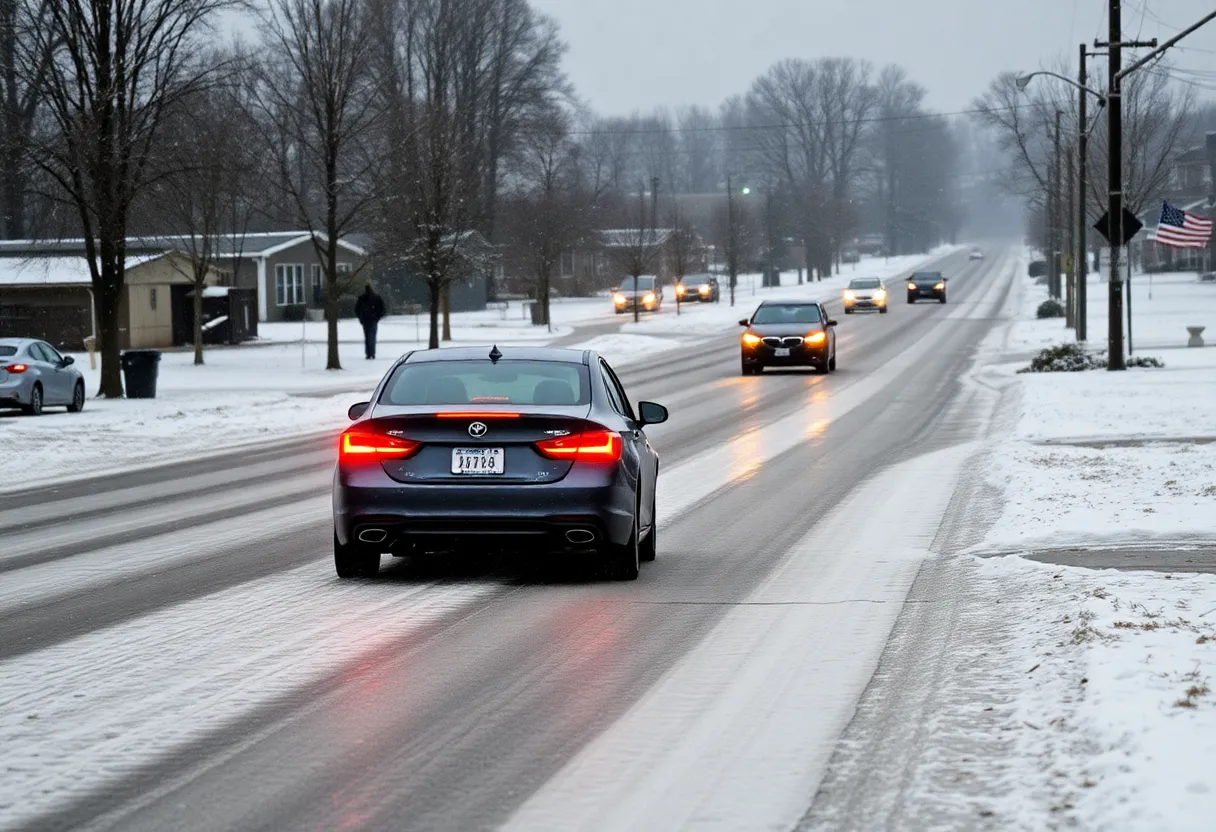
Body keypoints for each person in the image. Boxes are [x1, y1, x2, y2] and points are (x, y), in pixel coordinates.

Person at [355, 283, 386, 360]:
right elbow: (382, 309)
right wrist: (377, 317)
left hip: (365, 319)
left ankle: (368, 353)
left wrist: (361, 318)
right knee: (372, 337)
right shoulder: (376, 298)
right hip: (373, 319)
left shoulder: (362, 298)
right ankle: (372, 352)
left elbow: (357, 309)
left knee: (367, 337)